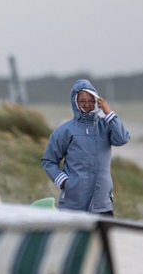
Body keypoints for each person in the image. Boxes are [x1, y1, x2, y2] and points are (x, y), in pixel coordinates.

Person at [41, 79, 130, 216]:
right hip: (73, 205)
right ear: (75, 102)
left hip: (102, 205)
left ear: (96, 101)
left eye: (91, 100)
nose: (87, 105)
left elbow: (123, 138)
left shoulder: (105, 126)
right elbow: (49, 161)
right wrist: (65, 182)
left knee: (101, 238)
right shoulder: (65, 131)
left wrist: (108, 113)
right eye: (82, 101)